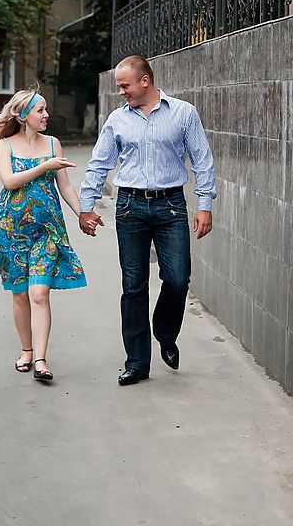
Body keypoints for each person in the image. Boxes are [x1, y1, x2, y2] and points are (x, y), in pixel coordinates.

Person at [78, 55, 216, 386]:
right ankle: (137, 362)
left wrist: (205, 204)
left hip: (170, 206)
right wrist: (86, 205)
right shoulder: (117, 120)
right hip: (130, 208)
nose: (121, 92)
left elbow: (202, 160)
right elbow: (100, 164)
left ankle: (165, 333)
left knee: (179, 278)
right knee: (133, 286)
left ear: (144, 81)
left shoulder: (183, 113)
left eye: (124, 85)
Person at [0, 88, 87, 382]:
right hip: (12, 231)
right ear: (22, 116)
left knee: (39, 293)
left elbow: (65, 186)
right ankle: (27, 351)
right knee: (20, 295)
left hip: (48, 231)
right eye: (40, 111)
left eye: (45, 110)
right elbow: (9, 182)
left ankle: (42, 360)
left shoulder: (53, 144)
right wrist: (44, 166)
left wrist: (82, 213)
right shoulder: (4, 146)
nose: (46, 115)